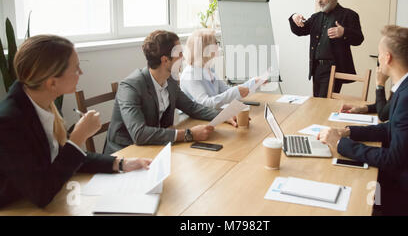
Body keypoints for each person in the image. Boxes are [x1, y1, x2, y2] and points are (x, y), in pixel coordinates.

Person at [0, 35, 151, 208]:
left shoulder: (42, 104)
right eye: (76, 68)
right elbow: (41, 192)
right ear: (52, 82)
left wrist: (121, 163)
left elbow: (62, 157)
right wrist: (78, 138)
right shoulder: (8, 123)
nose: (81, 73)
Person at [318, 26, 408, 215]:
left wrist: (340, 144)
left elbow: (394, 159)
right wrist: (348, 131)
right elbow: (392, 127)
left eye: (380, 54)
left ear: (387, 57)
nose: (378, 59)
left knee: (346, 193)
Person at [104, 30, 237, 155]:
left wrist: (223, 116)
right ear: (165, 60)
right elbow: (139, 133)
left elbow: (192, 107)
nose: (184, 58)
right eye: (179, 54)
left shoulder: (170, 81)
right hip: (125, 153)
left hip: (156, 147)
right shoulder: (131, 86)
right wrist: (188, 134)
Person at [288, 0, 364, 97]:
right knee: (317, 101)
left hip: (334, 68)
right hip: (316, 68)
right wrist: (293, 17)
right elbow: (300, 31)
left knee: (324, 103)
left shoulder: (349, 15)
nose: (319, 1)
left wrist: (344, 32)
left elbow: (359, 39)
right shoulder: (316, 17)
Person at [340, 36, 408, 122]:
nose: (379, 58)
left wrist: (380, 83)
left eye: (381, 53)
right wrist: (363, 108)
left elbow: (384, 115)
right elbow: (389, 107)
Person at [180, 29, 260, 109]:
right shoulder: (190, 75)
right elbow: (205, 103)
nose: (218, 46)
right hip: (194, 120)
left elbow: (227, 91)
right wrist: (236, 91)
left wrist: (254, 82)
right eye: (215, 43)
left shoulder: (209, 69)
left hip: (213, 114)